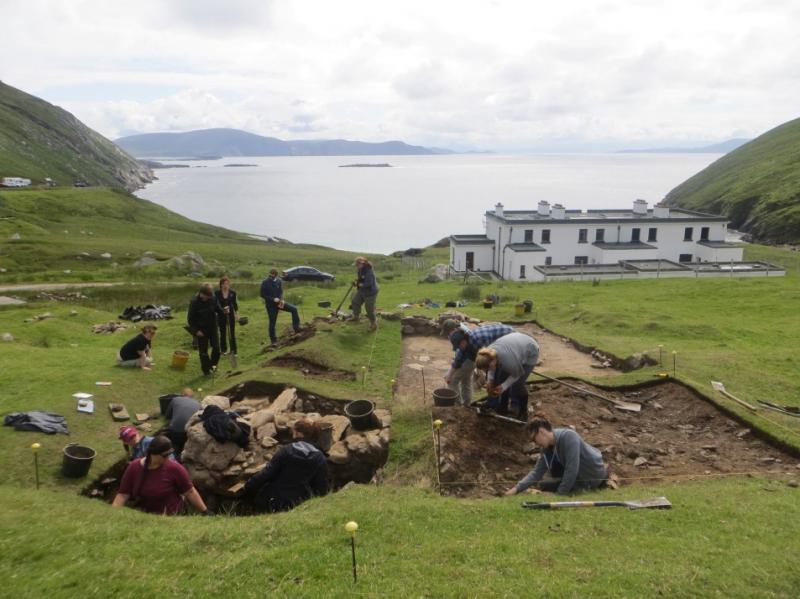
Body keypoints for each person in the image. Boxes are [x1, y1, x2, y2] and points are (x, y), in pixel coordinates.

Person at [504, 412, 607, 496]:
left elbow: (571, 469)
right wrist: (515, 490)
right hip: (577, 478)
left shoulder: (569, 436)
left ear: (541, 432)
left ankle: (578, 489)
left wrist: (559, 495)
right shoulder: (546, 448)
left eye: (534, 439)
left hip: (591, 477)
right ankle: (570, 489)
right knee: (544, 485)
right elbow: (537, 472)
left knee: (553, 485)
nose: (535, 443)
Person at [243, 419, 328, 512]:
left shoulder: (287, 450)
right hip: (300, 504)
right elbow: (321, 487)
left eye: (294, 432)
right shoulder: (320, 458)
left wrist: (249, 485)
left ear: (299, 434)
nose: (292, 434)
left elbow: (267, 473)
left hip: (274, 501)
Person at [112, 436, 210, 515]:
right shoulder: (134, 467)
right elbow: (123, 494)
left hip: (173, 515)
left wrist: (205, 512)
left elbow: (190, 492)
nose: (168, 458)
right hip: (147, 516)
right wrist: (112, 513)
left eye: (169, 454)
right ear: (153, 454)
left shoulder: (175, 468)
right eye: (165, 455)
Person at [445, 322, 514, 406]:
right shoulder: (464, 345)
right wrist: (449, 375)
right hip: (494, 344)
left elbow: (491, 357)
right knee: (492, 376)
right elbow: (457, 361)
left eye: (458, 346)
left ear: (463, 342)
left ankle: (496, 404)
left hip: (509, 336)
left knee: (498, 375)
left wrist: (489, 378)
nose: (458, 348)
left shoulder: (479, 340)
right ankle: (473, 405)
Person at [474, 332, 540, 420]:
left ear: (493, 361)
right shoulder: (487, 353)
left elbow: (516, 375)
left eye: (487, 368)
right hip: (516, 344)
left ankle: (523, 412)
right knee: (501, 377)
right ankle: (503, 408)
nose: (486, 371)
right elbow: (491, 369)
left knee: (518, 385)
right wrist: (490, 381)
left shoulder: (508, 362)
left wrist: (503, 387)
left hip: (531, 350)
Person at [187, 283, 223, 375]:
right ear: (201, 293)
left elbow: (218, 309)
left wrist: (224, 311)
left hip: (213, 327)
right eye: (206, 296)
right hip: (201, 330)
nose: (208, 298)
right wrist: (196, 331)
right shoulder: (194, 302)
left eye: (209, 296)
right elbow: (190, 319)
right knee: (203, 352)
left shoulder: (213, 298)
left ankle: (213, 366)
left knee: (217, 348)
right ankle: (206, 371)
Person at [260, 268, 300, 344]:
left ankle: (296, 327)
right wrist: (272, 299)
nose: (270, 277)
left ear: (276, 275)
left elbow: (281, 292)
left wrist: (281, 299)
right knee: (272, 322)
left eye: (272, 276)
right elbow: (262, 294)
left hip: (280, 303)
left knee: (294, 309)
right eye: (270, 275)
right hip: (271, 306)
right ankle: (273, 340)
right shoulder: (265, 282)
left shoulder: (279, 281)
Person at [163, 389, 200, 459]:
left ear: (182, 394)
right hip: (188, 433)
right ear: (192, 396)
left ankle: (173, 459)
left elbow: (167, 415)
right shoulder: (198, 403)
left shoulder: (175, 399)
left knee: (174, 447)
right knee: (183, 450)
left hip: (175, 432)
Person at [214, 275, 239, 368]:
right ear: (220, 285)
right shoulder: (216, 293)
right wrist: (222, 309)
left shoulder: (233, 293)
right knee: (223, 332)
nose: (225, 285)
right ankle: (223, 350)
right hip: (221, 315)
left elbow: (235, 304)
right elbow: (216, 304)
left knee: (232, 333)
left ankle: (234, 350)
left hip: (230, 315)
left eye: (227, 284)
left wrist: (237, 314)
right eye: (224, 284)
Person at [351, 257, 379, 331]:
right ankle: (356, 317)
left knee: (369, 309)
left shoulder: (369, 271)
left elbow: (368, 283)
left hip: (370, 292)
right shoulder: (360, 270)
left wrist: (358, 284)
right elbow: (361, 279)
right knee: (355, 301)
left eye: (357, 265)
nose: (356, 267)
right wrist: (356, 282)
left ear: (361, 264)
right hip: (362, 291)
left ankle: (373, 324)